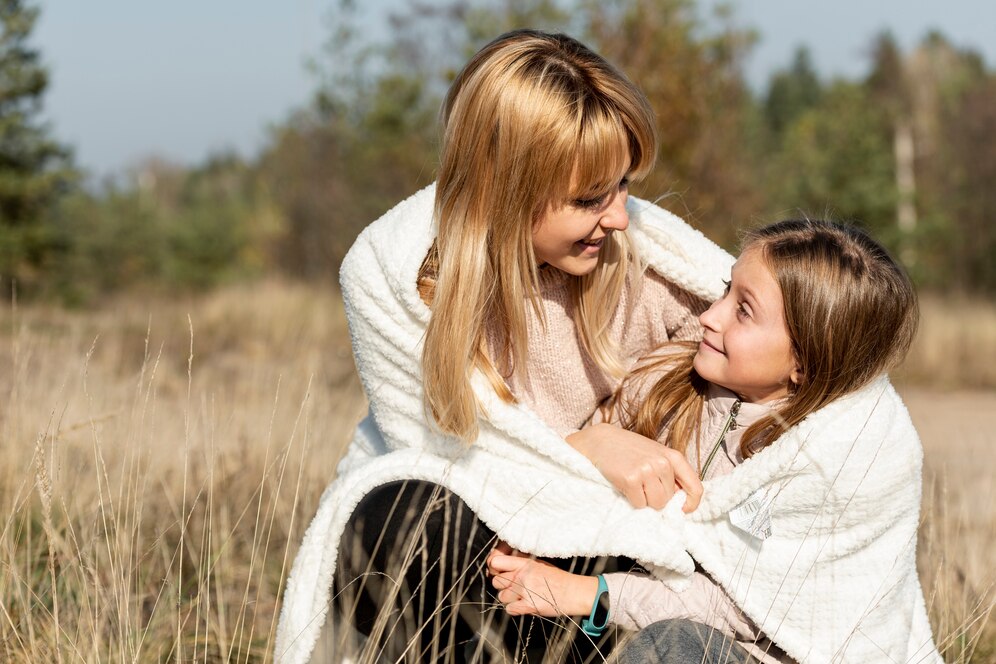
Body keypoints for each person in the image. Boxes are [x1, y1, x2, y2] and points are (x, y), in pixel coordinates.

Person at [274, 29, 737, 664]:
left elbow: (759, 396)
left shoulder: (649, 273)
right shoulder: (407, 288)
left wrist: (621, 439)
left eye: (624, 185)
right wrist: (583, 450)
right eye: (588, 198)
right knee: (405, 517)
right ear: (507, 186)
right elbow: (445, 459)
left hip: (598, 578)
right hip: (475, 570)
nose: (622, 217)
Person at [487, 219, 943, 663]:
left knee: (676, 647)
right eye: (726, 289)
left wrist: (587, 593)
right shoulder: (667, 379)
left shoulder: (827, 466)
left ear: (803, 361)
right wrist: (537, 530)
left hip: (745, 651)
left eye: (743, 310)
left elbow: (751, 612)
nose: (709, 315)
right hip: (626, 623)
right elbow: (582, 472)